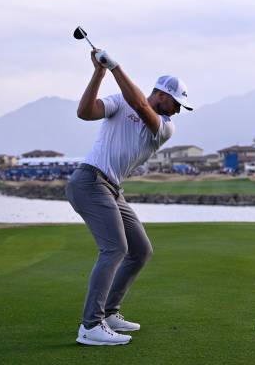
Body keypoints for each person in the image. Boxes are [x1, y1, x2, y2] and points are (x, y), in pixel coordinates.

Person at [66, 48, 192, 346]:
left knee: (140, 250)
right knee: (114, 249)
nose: (177, 110)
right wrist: (99, 71)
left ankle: (108, 313)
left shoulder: (164, 127)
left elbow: (139, 104)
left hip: (111, 188)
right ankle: (90, 325)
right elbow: (85, 112)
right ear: (162, 94)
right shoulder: (119, 101)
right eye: (176, 103)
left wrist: (115, 67)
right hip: (89, 180)